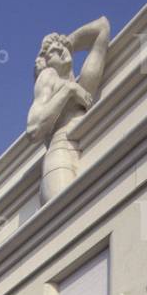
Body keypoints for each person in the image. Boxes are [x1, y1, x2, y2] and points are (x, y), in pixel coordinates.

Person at [27, 17, 110, 204]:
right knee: (66, 217)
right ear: (45, 62)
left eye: (63, 49)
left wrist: (68, 42)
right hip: (60, 154)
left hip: (86, 146)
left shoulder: (83, 85)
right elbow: (33, 128)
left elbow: (102, 28)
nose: (62, 52)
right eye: (54, 52)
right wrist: (68, 90)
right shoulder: (49, 78)